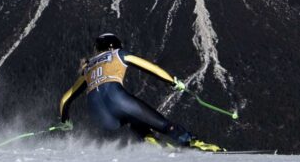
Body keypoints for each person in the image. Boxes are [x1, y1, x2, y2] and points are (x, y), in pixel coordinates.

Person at [57, 32, 199, 145]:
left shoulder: (87, 69)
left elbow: (64, 100)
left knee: (131, 119)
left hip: (100, 115)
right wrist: (173, 81)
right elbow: (151, 68)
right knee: (163, 125)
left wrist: (65, 122)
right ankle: (192, 143)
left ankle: (148, 139)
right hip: (117, 98)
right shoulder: (119, 54)